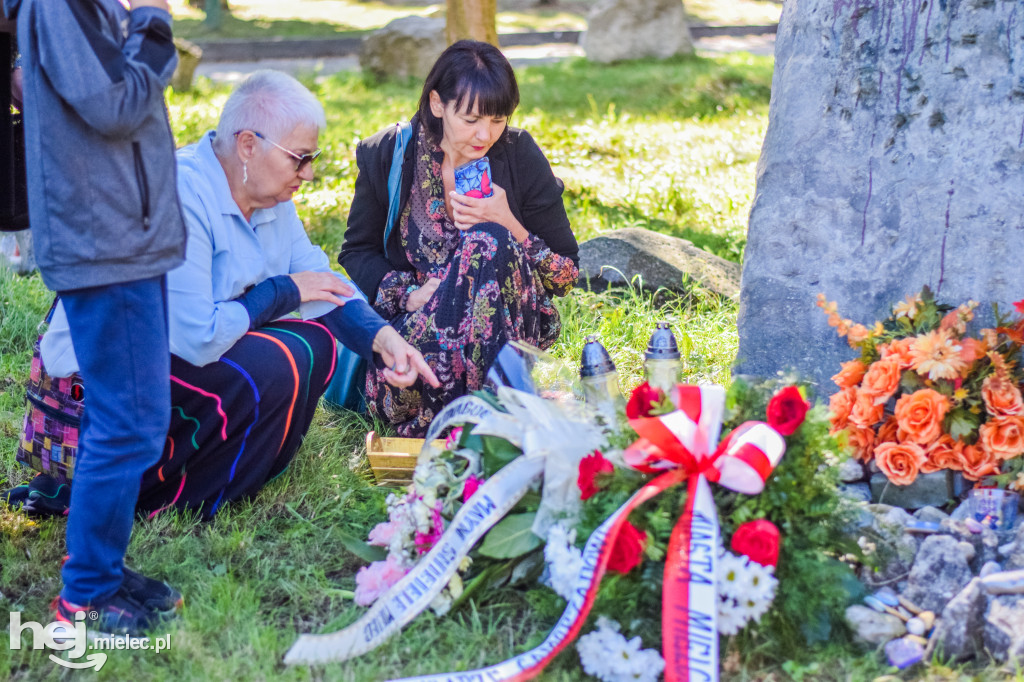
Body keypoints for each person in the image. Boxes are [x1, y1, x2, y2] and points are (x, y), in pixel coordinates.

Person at [132, 70, 439, 518]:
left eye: (311, 158)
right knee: (278, 359)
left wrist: (384, 341)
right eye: (299, 158)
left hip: (190, 353)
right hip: (136, 366)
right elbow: (196, 336)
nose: (309, 174)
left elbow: (317, 278)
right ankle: (175, 491)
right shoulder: (182, 193)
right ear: (248, 145)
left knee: (314, 344)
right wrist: (283, 291)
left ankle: (234, 479)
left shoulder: (269, 199)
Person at [4, 0, 186, 637]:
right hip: (105, 242)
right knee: (128, 421)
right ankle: (86, 594)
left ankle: (101, 567)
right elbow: (115, 105)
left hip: (123, 235)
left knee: (131, 416)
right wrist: (154, 23)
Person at [340, 40, 580, 437]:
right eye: (471, 119)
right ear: (437, 104)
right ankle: (492, 418)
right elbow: (357, 251)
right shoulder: (390, 154)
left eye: (498, 119)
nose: (485, 134)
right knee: (483, 244)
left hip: (506, 331)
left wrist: (509, 223)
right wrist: (408, 294)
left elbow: (566, 275)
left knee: (489, 240)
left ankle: (465, 420)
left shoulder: (518, 155)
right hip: (421, 336)